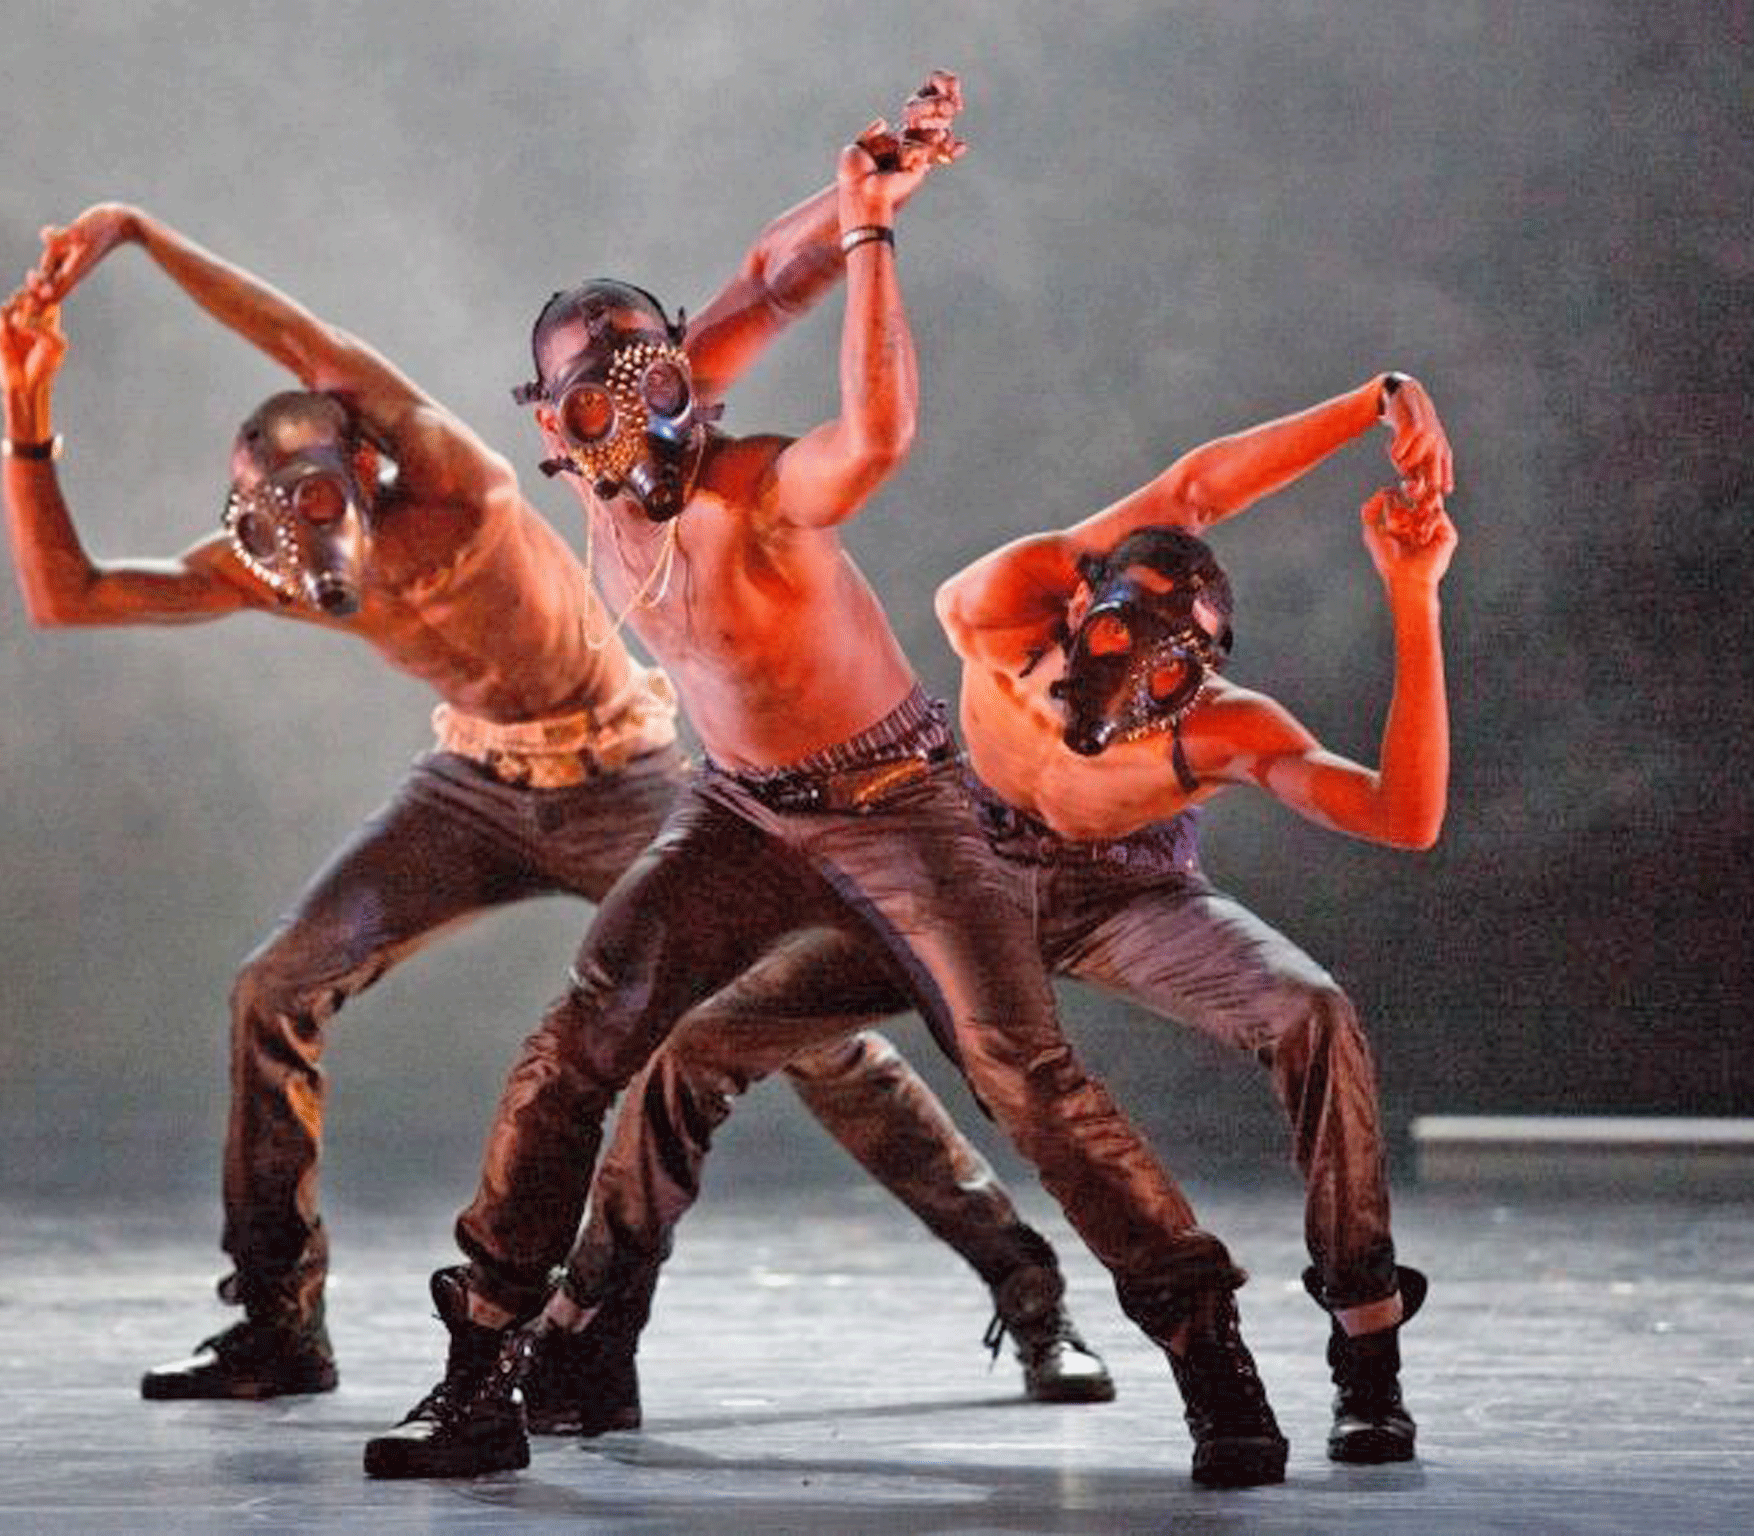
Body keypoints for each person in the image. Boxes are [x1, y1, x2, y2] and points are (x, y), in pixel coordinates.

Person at [0, 73, 1106, 1409]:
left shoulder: (452, 478)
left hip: (624, 777)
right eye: (284, 537)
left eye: (330, 511)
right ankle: (279, 1321)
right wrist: (27, 413)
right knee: (275, 988)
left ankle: (1026, 1284)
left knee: (799, 1038)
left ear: (373, 464)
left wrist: (141, 235)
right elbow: (69, 595)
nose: (313, 560)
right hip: (471, 785)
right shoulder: (270, 566)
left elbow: (305, 335)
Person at [364, 99, 1290, 1491]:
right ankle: (488, 1365)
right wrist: (844, 198)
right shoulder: (601, 481)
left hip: (904, 800)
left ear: (684, 374)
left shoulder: (748, 488)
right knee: (584, 1037)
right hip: (738, 812)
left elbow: (874, 427)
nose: (644, 414)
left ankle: (1212, 1356)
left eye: (657, 376)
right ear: (555, 431)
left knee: (1022, 1076)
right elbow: (761, 267)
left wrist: (869, 221)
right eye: (600, 402)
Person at [545, 373, 1457, 1467]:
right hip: (953, 870)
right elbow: (1193, 488)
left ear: (1198, 679)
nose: (1125, 684)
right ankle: (590, 1330)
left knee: (1308, 1011)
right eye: (1116, 641)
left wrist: (1413, 596)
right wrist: (1373, 403)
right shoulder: (998, 609)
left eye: (1164, 673)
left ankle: (1360, 1343)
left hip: (1124, 895)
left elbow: (1402, 816)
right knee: (693, 1051)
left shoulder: (1217, 729)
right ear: (1077, 605)